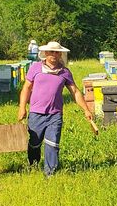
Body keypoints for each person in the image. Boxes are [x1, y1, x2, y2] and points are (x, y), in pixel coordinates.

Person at [17, 40, 95, 175]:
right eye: (51, 51)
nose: (53, 54)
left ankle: (50, 173)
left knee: (52, 144)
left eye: (56, 52)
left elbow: (75, 92)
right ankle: (33, 164)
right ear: (45, 53)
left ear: (60, 55)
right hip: (36, 113)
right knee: (35, 142)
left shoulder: (64, 72)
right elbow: (26, 88)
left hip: (55, 114)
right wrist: (22, 107)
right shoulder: (35, 68)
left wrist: (86, 110)